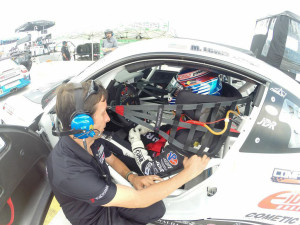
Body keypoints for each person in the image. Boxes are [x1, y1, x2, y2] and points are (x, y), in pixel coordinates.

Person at [47, 80, 210, 225]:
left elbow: (110, 158)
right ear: (83, 124)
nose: (108, 119)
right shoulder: (69, 173)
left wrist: (132, 176)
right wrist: (189, 172)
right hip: (97, 219)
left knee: (156, 209)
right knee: (146, 201)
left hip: (106, 199)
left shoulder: (90, 138)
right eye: (103, 113)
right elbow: (140, 200)